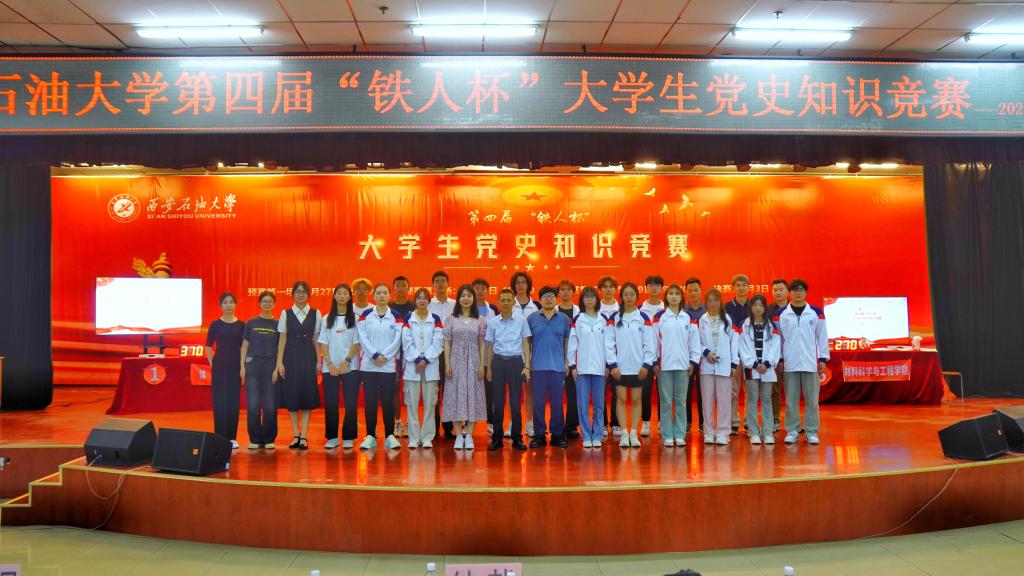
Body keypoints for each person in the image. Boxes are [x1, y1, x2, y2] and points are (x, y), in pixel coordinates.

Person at [775, 279, 829, 445]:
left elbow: (822, 336)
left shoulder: (816, 313)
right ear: (790, 293)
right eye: (795, 290)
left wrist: (822, 358)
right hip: (789, 363)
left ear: (805, 292)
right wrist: (780, 359)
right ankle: (792, 430)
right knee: (791, 401)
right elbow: (778, 339)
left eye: (801, 290)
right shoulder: (781, 314)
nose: (798, 293)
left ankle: (811, 431)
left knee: (812, 401)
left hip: (810, 363)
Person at [607, 282, 657, 448]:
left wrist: (646, 365)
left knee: (636, 400)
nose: (629, 297)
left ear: (637, 296)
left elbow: (649, 344)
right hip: (619, 369)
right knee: (620, 400)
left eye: (632, 294)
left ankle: (633, 433)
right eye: (626, 294)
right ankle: (624, 434)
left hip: (638, 368)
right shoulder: (614, 318)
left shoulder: (643, 318)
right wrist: (613, 365)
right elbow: (609, 343)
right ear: (621, 297)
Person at [652, 284, 702, 447]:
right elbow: (654, 341)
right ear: (666, 297)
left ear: (681, 297)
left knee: (681, 401)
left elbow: (694, 342)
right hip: (664, 366)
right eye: (671, 293)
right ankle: (667, 434)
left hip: (683, 366)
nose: (673, 296)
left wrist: (693, 362)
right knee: (666, 402)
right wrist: (655, 361)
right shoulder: (659, 317)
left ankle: (679, 434)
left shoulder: (688, 318)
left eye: (677, 294)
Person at [275, 280, 322, 451]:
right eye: (297, 292)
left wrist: (319, 361)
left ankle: (304, 435)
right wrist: (279, 362)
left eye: (303, 292)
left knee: (307, 395)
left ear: (308, 295)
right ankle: (295, 433)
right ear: (292, 294)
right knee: (293, 395)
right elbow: (282, 338)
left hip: (308, 357)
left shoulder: (316, 313)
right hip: (290, 357)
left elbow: (316, 339)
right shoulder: (286, 313)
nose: (300, 295)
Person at [356, 283, 403, 450]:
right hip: (369, 365)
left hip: (388, 366)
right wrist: (374, 355)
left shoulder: (396, 316)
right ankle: (370, 435)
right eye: (378, 293)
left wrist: (385, 356)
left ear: (389, 295)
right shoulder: (365, 315)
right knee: (370, 401)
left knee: (388, 401)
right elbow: (362, 337)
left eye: (384, 293)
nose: (382, 295)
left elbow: (397, 339)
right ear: (373, 296)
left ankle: (390, 436)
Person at [485, 288, 532, 451]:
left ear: (513, 302)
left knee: (515, 403)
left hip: (516, 363)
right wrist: (489, 368)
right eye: (502, 300)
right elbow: (490, 345)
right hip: (498, 363)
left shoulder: (521, 320)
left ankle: (517, 438)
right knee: (497, 403)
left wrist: (527, 366)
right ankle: (497, 438)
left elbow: (525, 342)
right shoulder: (492, 322)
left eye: (508, 300)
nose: (505, 303)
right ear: (498, 302)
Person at [442, 284, 488, 450]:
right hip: (455, 362)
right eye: (463, 296)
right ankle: (458, 435)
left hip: (474, 362)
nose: (466, 298)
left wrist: (482, 365)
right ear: (458, 299)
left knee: (473, 396)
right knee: (455, 396)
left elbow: (482, 343)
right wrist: (447, 364)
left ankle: (469, 436)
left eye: (469, 296)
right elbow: (447, 343)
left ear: (473, 299)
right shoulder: (450, 319)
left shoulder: (480, 320)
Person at [567, 286, 612, 448]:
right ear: (582, 300)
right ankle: (586, 435)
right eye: (586, 297)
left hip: (600, 368)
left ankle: (597, 434)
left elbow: (608, 344)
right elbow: (572, 344)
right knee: (583, 404)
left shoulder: (603, 320)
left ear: (597, 300)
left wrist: (608, 364)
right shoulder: (577, 320)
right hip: (582, 368)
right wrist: (572, 365)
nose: (590, 299)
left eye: (592, 297)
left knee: (599, 404)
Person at [527, 286, 571, 449]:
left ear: (556, 298)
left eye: (552, 296)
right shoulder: (532, 318)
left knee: (557, 403)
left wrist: (566, 362)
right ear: (539, 299)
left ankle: (557, 434)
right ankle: (539, 435)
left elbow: (567, 342)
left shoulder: (564, 319)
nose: (548, 299)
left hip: (558, 367)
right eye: (545, 296)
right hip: (537, 367)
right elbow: (527, 343)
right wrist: (527, 365)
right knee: (538, 403)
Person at [318, 284, 360, 449]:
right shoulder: (326, 318)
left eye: (345, 293)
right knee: (331, 403)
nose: (342, 296)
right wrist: (329, 364)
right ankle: (332, 437)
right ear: (334, 296)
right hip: (330, 368)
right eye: (339, 293)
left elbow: (357, 343)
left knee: (350, 403)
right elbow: (323, 342)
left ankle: (349, 436)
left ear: (349, 297)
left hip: (351, 367)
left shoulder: (355, 318)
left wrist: (347, 361)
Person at [401, 288, 444, 449]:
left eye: (425, 298)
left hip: (430, 366)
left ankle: (426, 437)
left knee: (430, 404)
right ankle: (413, 437)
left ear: (429, 301)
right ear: (415, 300)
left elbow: (438, 342)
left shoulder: (436, 319)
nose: (422, 300)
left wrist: (425, 360)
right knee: (411, 404)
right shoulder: (408, 318)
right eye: (419, 298)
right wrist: (417, 359)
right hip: (412, 367)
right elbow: (406, 342)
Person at [698, 288, 740, 445]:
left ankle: (723, 432)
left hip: (724, 366)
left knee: (724, 401)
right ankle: (708, 432)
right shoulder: (701, 320)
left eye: (716, 300)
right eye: (709, 301)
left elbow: (734, 342)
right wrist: (706, 352)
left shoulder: (728, 320)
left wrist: (734, 363)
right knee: (707, 401)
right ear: (705, 303)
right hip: (707, 366)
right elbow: (696, 342)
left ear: (720, 302)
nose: (713, 303)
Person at [739, 294, 781, 445]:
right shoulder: (744, 326)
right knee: (752, 399)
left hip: (767, 369)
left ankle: (768, 432)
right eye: (755, 305)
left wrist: (767, 364)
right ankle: (754, 432)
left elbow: (776, 346)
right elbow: (742, 348)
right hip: (751, 369)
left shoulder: (771, 326)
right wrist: (755, 364)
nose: (758, 308)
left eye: (761, 305)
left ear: (765, 308)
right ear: (751, 307)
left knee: (767, 400)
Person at [205, 291, 245, 449]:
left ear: (236, 305)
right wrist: (211, 363)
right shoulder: (215, 324)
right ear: (220, 305)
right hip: (220, 366)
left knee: (234, 401)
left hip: (235, 367)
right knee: (220, 401)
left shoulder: (241, 325)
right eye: (225, 302)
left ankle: (232, 438)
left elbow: (244, 347)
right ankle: (220, 437)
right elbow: (208, 345)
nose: (228, 305)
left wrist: (243, 366)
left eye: (231, 302)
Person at [240, 291, 280, 449]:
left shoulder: (278, 324)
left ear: (274, 304)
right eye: (264, 301)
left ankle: (269, 438)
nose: (267, 304)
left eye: (270, 301)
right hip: (253, 366)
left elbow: (280, 348)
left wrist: (277, 367)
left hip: (270, 366)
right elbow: (245, 345)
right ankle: (255, 439)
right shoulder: (251, 322)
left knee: (270, 405)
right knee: (253, 404)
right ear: (259, 303)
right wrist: (242, 365)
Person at [509, 271, 540, 438]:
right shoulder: (508, 303)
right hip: (511, 354)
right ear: (513, 286)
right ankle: (512, 423)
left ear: (529, 286)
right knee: (513, 391)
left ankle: (530, 423)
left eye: (523, 282)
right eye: (517, 282)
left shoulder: (536, 306)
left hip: (532, 355)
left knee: (529, 391)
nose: (520, 285)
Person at [428, 270, 457, 440]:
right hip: (433, 353)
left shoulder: (455, 304)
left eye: (443, 281)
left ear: (448, 284)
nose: (440, 284)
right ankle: (432, 428)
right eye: (437, 281)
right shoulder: (427, 305)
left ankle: (448, 427)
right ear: (433, 285)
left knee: (449, 391)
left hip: (452, 353)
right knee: (433, 392)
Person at [638, 275, 666, 438]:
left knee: (664, 391)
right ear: (646, 288)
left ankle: (663, 421)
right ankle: (646, 422)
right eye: (651, 285)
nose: (654, 288)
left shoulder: (667, 309)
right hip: (645, 358)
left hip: (664, 357)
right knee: (645, 390)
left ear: (662, 288)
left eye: (657, 285)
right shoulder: (639, 310)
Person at [725, 274, 752, 436]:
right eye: (738, 285)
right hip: (733, 353)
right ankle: (733, 422)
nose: (741, 288)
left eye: (744, 285)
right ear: (733, 287)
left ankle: (749, 422)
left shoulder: (754, 305)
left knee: (750, 390)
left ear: (748, 287)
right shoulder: (726, 307)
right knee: (733, 390)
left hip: (750, 354)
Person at [473, 278, 499, 434]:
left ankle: (491, 422)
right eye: (477, 288)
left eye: (483, 288)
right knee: (471, 390)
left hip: (489, 356)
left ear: (487, 291)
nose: (480, 291)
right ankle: (468, 423)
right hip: (471, 356)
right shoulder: (466, 308)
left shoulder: (493, 309)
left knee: (490, 391)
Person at [390, 275, 414, 439]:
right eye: (397, 285)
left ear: (408, 288)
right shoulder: (389, 307)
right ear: (394, 289)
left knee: (412, 389)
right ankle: (398, 422)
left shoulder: (415, 306)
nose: (400, 288)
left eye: (403, 285)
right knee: (395, 389)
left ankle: (412, 423)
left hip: (411, 353)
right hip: (395, 353)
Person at [597, 275, 621, 438]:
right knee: (600, 392)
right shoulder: (595, 309)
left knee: (617, 392)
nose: (608, 289)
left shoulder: (622, 309)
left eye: (611, 286)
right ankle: (602, 423)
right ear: (600, 290)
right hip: (599, 357)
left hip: (619, 358)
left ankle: (616, 423)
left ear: (615, 289)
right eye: (604, 287)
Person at [557, 280, 581, 440]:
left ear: (573, 292)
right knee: (557, 395)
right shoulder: (552, 311)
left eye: (568, 289)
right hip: (556, 358)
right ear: (558, 293)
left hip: (575, 359)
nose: (565, 292)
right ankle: (557, 426)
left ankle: (572, 426)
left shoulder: (580, 312)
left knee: (573, 394)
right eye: (562, 290)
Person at [683, 278, 707, 435]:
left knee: (703, 390)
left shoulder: (707, 309)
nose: (693, 293)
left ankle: (704, 423)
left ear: (700, 290)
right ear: (686, 292)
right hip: (687, 356)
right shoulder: (681, 310)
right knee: (685, 390)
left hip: (705, 356)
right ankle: (686, 422)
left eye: (696, 290)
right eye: (690, 290)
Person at [766, 278, 790, 433]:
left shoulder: (794, 308)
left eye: (781, 289)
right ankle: (775, 419)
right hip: (775, 358)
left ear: (787, 291)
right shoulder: (768, 310)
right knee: (774, 390)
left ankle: (793, 422)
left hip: (793, 356)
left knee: (793, 391)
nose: (778, 292)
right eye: (775, 290)